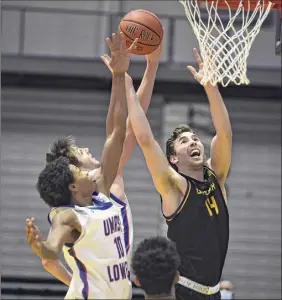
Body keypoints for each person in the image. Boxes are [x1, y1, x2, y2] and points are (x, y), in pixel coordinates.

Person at [26, 32, 163, 287]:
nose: (88, 150)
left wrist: (139, 70)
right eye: (80, 153)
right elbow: (48, 256)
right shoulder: (83, 201)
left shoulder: (103, 184)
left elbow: (124, 128)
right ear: (73, 177)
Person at [125, 47, 232, 300]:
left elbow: (224, 133)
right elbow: (145, 139)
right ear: (173, 158)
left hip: (214, 292)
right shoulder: (174, 186)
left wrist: (210, 86)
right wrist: (127, 87)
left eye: (195, 138)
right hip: (184, 291)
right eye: (184, 142)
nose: (194, 142)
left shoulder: (217, 177)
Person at [28, 156, 132, 299]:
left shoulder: (99, 199)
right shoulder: (67, 216)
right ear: (73, 185)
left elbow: (115, 143)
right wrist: (39, 246)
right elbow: (50, 256)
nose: (88, 152)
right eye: (79, 170)